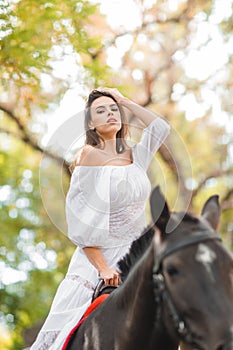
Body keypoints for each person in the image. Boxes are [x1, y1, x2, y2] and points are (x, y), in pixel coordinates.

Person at [30, 88, 170, 349]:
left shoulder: (137, 157)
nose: (110, 114)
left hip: (137, 256)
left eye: (113, 109)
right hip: (99, 260)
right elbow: (82, 223)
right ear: (91, 123)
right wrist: (103, 268)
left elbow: (160, 128)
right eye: (101, 111)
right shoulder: (89, 156)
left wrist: (125, 100)